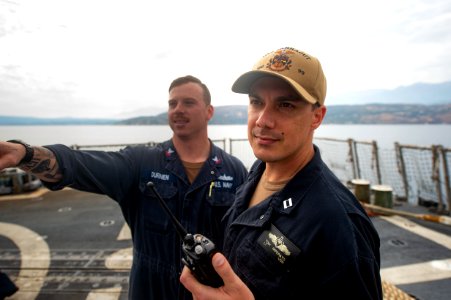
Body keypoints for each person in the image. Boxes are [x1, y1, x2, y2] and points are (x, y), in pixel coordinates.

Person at [0, 75, 248, 300]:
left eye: (188, 102)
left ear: (209, 111)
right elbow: (81, 164)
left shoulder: (233, 170)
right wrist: (24, 154)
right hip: (150, 291)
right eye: (172, 103)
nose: (178, 110)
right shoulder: (141, 162)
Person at [180, 47, 382, 299]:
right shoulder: (257, 173)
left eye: (285, 105)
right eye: (256, 102)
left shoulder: (338, 224)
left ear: (316, 117)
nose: (263, 120)